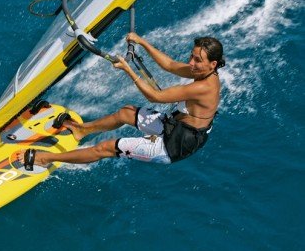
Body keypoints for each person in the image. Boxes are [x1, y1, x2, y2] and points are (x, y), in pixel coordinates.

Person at [23, 34, 224, 169]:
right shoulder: (202, 71)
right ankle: (81, 130)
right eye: (192, 57)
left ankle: (45, 159)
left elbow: (156, 97)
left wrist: (129, 69)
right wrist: (142, 42)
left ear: (212, 64)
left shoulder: (203, 87)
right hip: (175, 126)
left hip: (174, 144)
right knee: (125, 112)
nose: (191, 63)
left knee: (105, 148)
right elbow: (170, 65)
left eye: (197, 60)